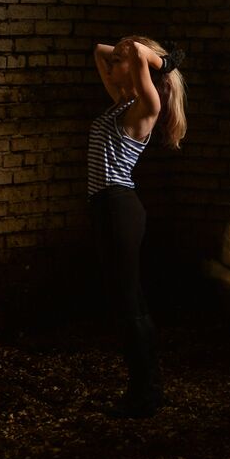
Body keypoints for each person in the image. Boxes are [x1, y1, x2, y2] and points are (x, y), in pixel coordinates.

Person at [89, 36, 187, 418]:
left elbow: (131, 53)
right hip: (105, 206)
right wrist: (127, 51)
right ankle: (146, 386)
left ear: (140, 68)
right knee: (125, 300)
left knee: (127, 303)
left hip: (118, 206)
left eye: (122, 61)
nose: (113, 64)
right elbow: (100, 50)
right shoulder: (123, 102)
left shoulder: (147, 106)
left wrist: (153, 59)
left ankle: (145, 391)